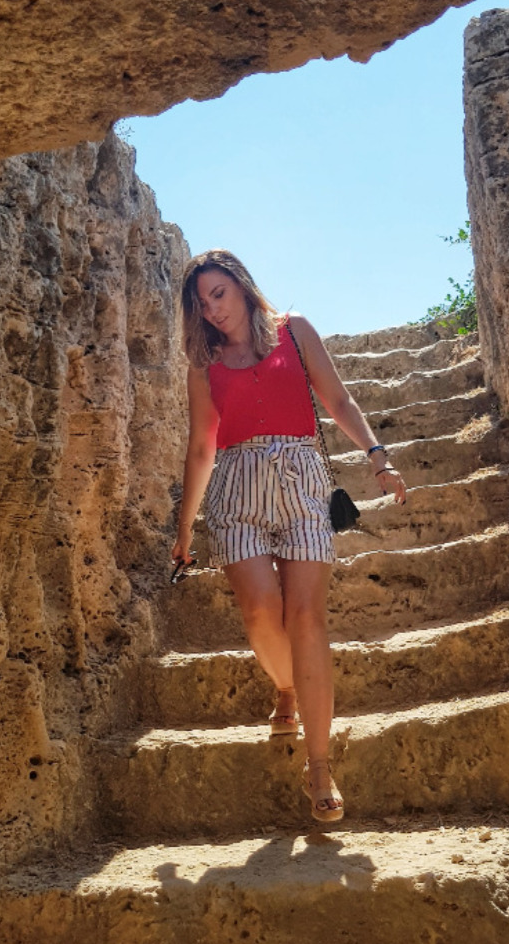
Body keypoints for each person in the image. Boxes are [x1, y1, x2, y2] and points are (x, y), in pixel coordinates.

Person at [169, 250, 408, 822]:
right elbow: (202, 446)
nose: (212, 309)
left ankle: (320, 767)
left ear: (244, 287)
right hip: (237, 486)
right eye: (202, 302)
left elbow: (339, 399)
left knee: (305, 617)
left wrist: (377, 457)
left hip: (303, 480)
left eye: (219, 294)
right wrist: (184, 528)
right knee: (259, 613)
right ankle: (287, 687)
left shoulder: (294, 333)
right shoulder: (203, 364)